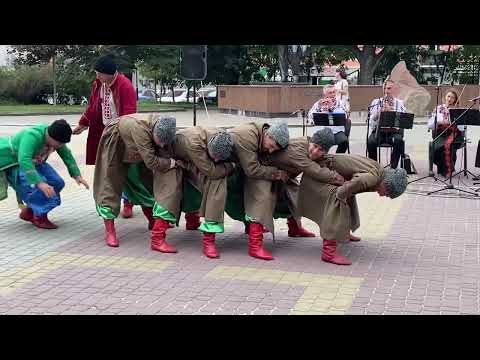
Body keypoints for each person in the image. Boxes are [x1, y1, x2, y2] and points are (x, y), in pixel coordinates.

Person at [296, 128, 407, 265]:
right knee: (338, 201)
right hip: (319, 176)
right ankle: (329, 252)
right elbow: (353, 184)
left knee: (349, 196)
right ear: (386, 184)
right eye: (388, 193)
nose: (384, 196)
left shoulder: (379, 170)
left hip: (328, 173)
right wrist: (340, 196)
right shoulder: (372, 178)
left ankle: (344, 232)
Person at [227, 121, 315, 261]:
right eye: (272, 146)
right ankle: (255, 245)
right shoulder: (246, 136)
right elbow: (252, 170)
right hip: (229, 169)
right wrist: (277, 173)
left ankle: (294, 227)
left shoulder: (267, 137)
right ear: (267, 134)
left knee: (291, 187)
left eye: (275, 149)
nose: (271, 150)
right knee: (262, 195)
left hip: (252, 167)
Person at [93, 114, 178, 250]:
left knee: (147, 181)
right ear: (154, 132)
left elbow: (157, 156)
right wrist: (169, 163)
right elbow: (151, 162)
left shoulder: (164, 125)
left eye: (165, 143)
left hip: (136, 149)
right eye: (160, 141)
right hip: (115, 143)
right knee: (109, 184)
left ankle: (152, 219)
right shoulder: (141, 130)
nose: (162, 145)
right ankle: (110, 231)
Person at [72, 55, 138, 218]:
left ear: (109, 73)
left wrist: (123, 136)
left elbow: (129, 114)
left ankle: (128, 202)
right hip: (103, 131)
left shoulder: (125, 86)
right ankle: (109, 202)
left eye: (99, 73)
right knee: (108, 169)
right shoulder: (98, 84)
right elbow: (93, 107)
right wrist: (82, 124)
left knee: (125, 168)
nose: (97, 76)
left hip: (121, 132)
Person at [0, 119, 89, 229]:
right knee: (38, 186)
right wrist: (39, 183)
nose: (61, 145)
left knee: (57, 182)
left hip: (36, 162)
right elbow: (24, 159)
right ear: (51, 137)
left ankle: (29, 210)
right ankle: (39, 217)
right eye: (60, 143)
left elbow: (67, 155)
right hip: (16, 163)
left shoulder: (56, 138)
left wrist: (77, 175)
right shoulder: (32, 135)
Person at [172, 127, 235, 258]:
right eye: (215, 156)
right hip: (174, 161)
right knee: (216, 182)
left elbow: (212, 166)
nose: (217, 160)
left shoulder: (224, 140)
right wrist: (231, 166)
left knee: (217, 179)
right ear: (209, 147)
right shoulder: (195, 144)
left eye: (220, 158)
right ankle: (208, 240)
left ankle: (194, 224)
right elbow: (212, 172)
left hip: (191, 162)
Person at [367, 78, 407, 169]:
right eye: (385, 88)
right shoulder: (376, 102)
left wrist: (392, 113)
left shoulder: (400, 103)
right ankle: (375, 168)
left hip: (394, 132)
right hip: (379, 131)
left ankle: (393, 168)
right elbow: (371, 123)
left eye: (389, 88)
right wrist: (379, 113)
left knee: (398, 141)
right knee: (371, 142)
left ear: (394, 90)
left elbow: (404, 122)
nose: (386, 91)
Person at [427, 89, 464, 177]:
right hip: (441, 133)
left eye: (453, 97)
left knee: (448, 145)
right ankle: (442, 167)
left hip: (455, 134)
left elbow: (462, 128)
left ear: (455, 100)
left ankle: (447, 170)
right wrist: (439, 122)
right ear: (445, 97)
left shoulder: (458, 110)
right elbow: (430, 125)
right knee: (435, 147)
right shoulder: (438, 108)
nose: (450, 99)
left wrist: (452, 121)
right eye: (448, 96)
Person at [307, 84, 349, 153]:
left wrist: (331, 109)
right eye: (330, 93)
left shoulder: (340, 103)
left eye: (334, 92)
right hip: (322, 131)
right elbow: (310, 116)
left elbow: (346, 116)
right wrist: (320, 110)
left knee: (344, 142)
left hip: (336, 132)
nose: (333, 94)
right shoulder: (318, 104)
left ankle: (337, 158)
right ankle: (321, 158)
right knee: (313, 144)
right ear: (324, 94)